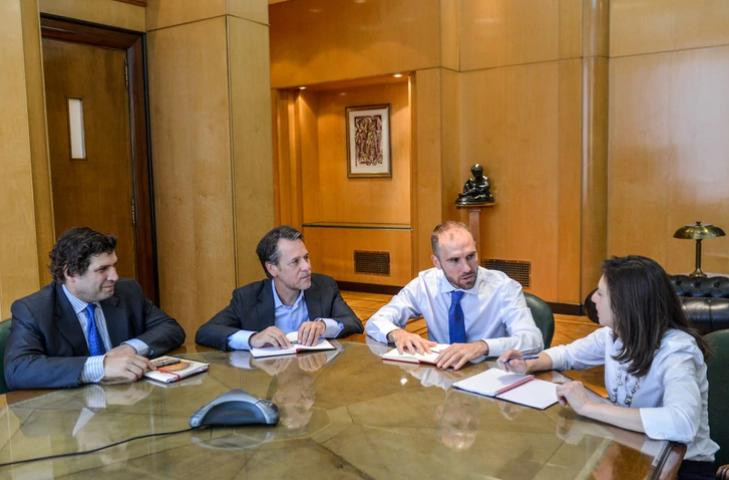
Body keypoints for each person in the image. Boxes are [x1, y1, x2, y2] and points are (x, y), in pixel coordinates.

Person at [498, 255, 718, 480]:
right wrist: (529, 363)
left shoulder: (677, 351)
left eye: (601, 293)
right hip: (635, 449)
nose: (593, 298)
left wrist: (588, 406)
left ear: (626, 305)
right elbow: (567, 354)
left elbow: (682, 423)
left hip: (683, 466)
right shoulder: (615, 335)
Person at [4, 227, 185, 390]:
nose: (114, 276)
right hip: (70, 418)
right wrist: (101, 367)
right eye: (102, 269)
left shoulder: (128, 291)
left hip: (128, 402)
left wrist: (130, 348)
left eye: (114, 265)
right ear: (71, 273)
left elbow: (171, 329)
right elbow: (18, 369)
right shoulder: (33, 310)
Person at [365, 221, 543, 370]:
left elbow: (533, 341)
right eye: (454, 260)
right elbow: (376, 321)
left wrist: (482, 346)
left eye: (471, 256)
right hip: (441, 375)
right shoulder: (424, 284)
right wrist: (397, 334)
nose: (466, 268)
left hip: (490, 373)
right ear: (437, 262)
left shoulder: (504, 288)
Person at [195, 225, 363, 351]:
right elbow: (206, 332)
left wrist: (324, 326)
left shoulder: (324, 287)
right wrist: (253, 338)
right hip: (270, 385)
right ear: (272, 268)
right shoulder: (248, 297)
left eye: (306, 257)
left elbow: (354, 323)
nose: (306, 267)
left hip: (315, 380)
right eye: (295, 262)